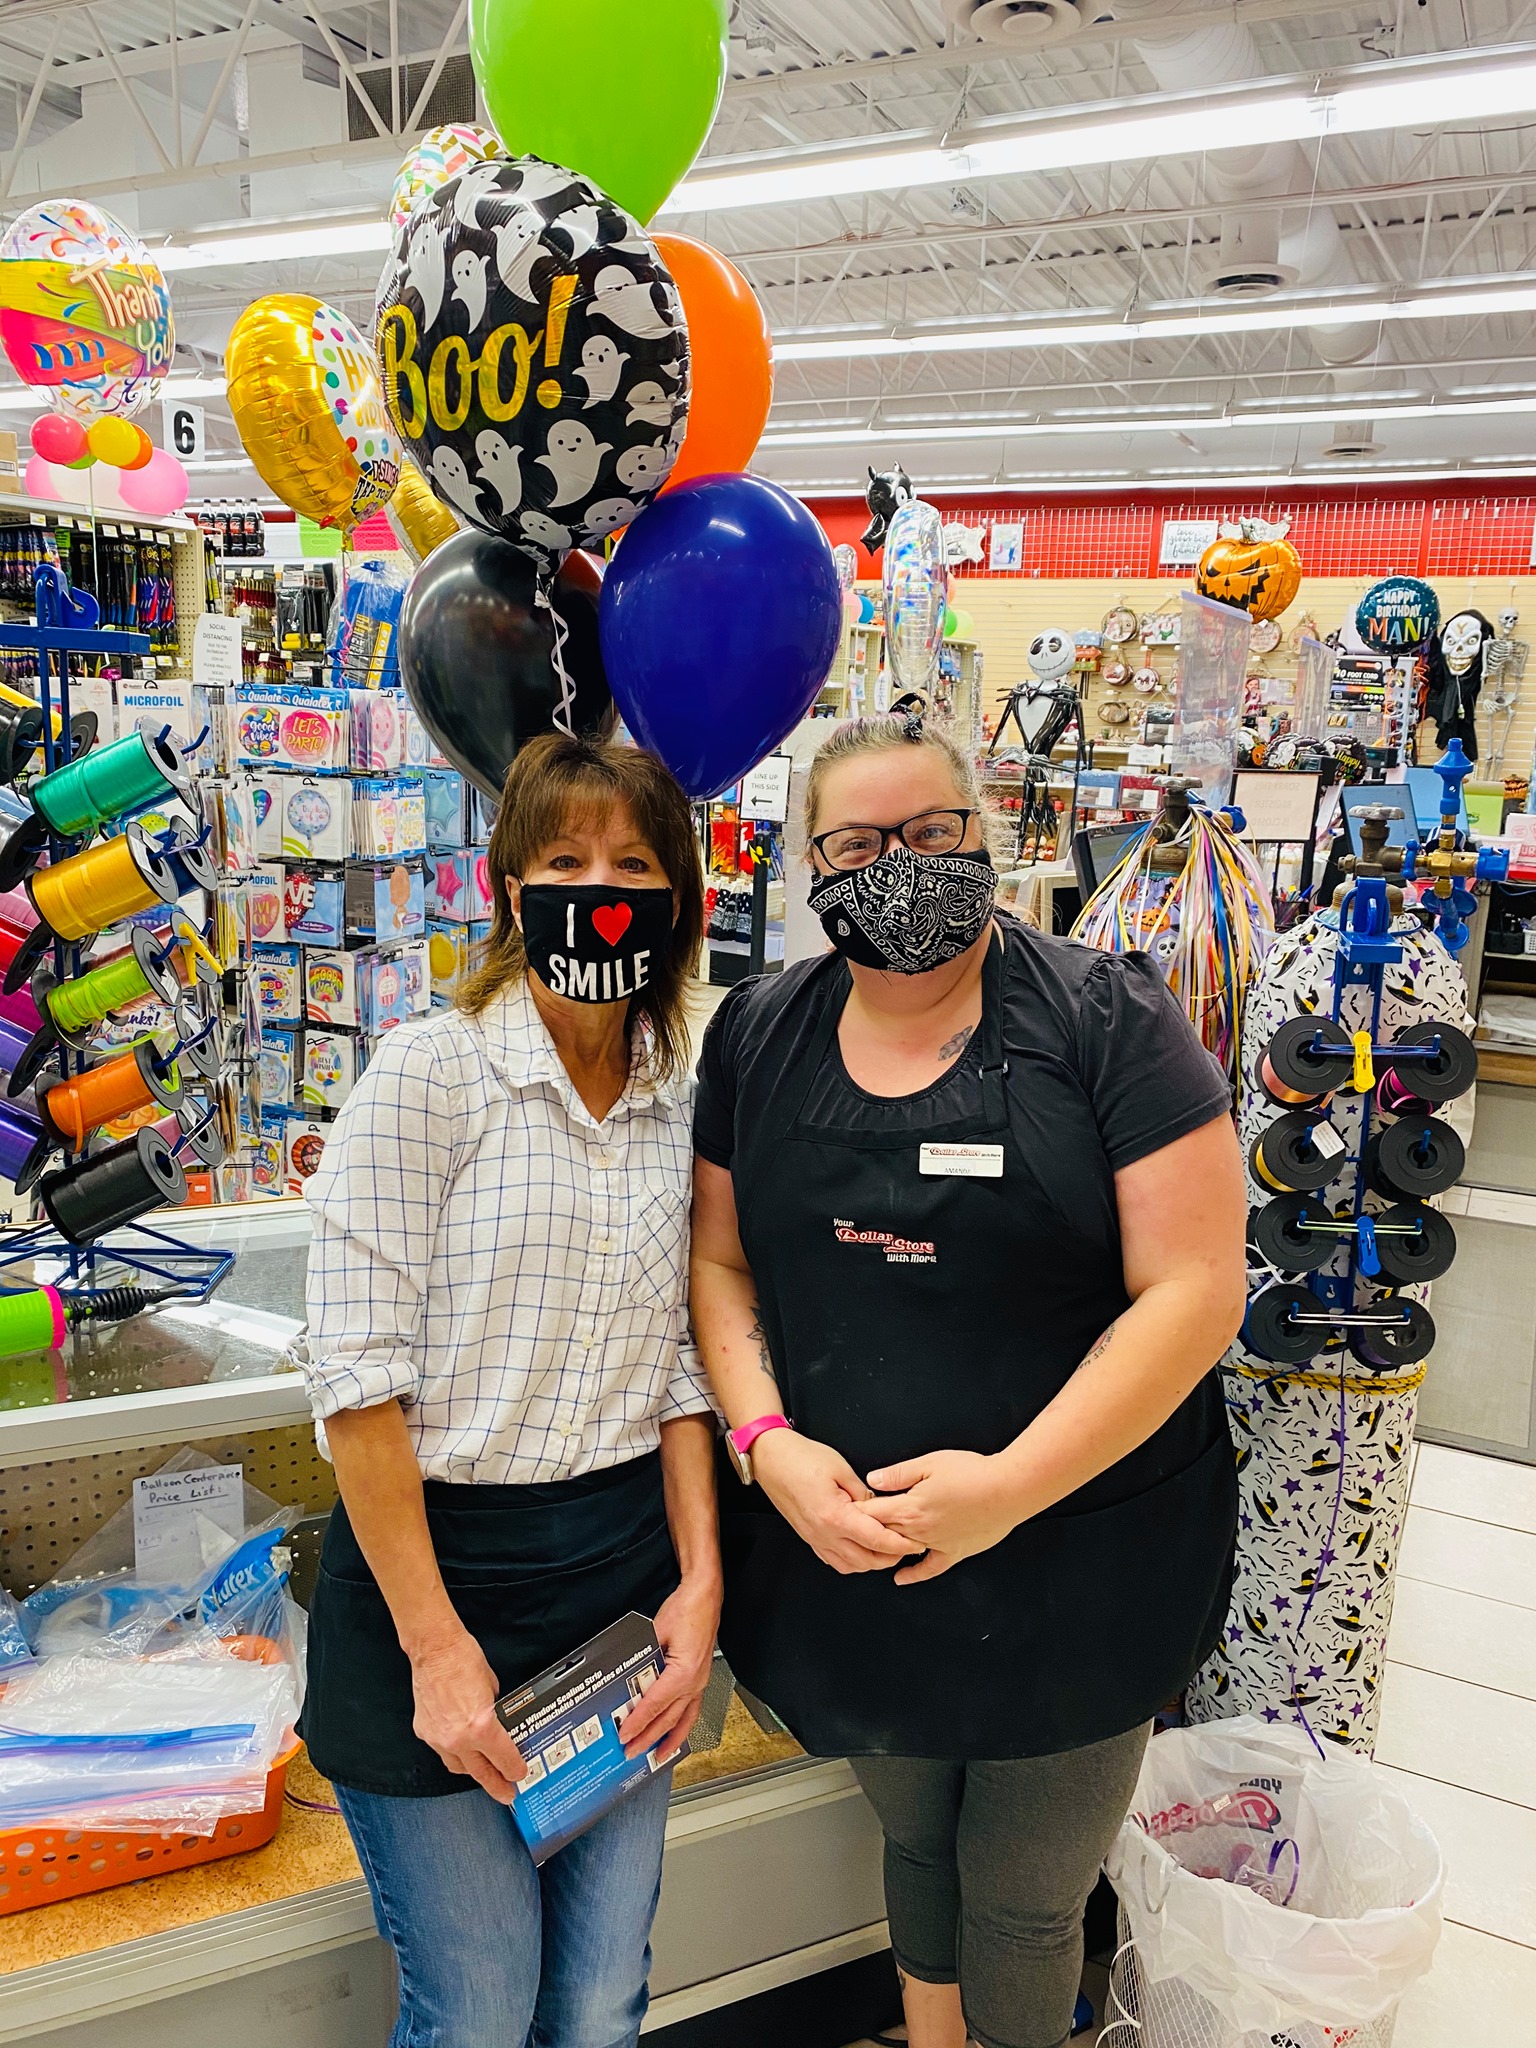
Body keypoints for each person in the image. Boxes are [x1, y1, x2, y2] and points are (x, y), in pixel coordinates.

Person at [690, 714, 1246, 2048]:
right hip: (851, 1554)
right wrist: (766, 1443)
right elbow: (719, 1263)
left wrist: (1008, 1490)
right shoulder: (758, 1034)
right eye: (857, 845)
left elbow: (1196, 1288)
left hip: (1080, 1558)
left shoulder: (1107, 1022)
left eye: (931, 832)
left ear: (983, 835)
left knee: (1028, 1899)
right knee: (918, 1845)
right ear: (809, 865)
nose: (898, 865)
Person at [298, 732, 721, 2048]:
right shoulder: (431, 1076)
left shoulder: (681, 1102)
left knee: (597, 2002)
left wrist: (701, 1586)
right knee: (477, 2005)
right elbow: (356, 1382)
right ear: (508, 886)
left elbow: (685, 1369)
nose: (599, 888)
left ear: (679, 901)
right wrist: (437, 1652)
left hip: (619, 1595)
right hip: (437, 1580)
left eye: (634, 864)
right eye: (564, 859)